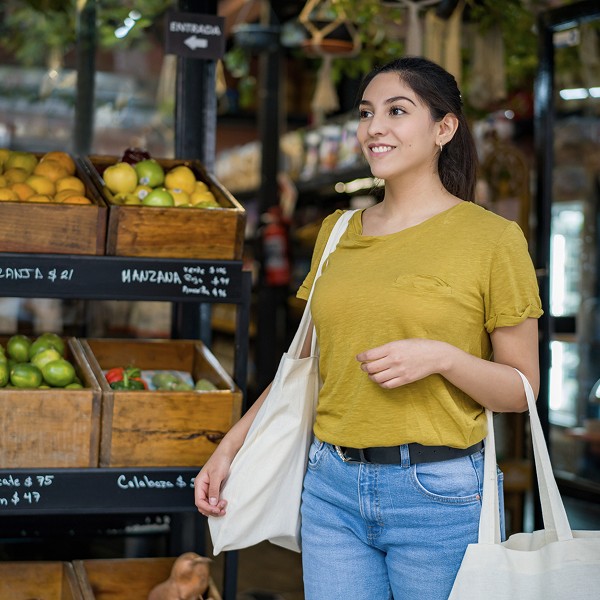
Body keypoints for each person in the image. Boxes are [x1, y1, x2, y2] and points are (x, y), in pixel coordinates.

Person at [195, 56, 543, 600]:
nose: (373, 127)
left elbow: (522, 390)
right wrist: (229, 447)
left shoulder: (493, 240)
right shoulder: (337, 232)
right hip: (331, 489)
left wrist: (441, 357)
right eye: (365, 113)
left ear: (444, 128)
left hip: (438, 495)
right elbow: (301, 370)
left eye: (397, 111)